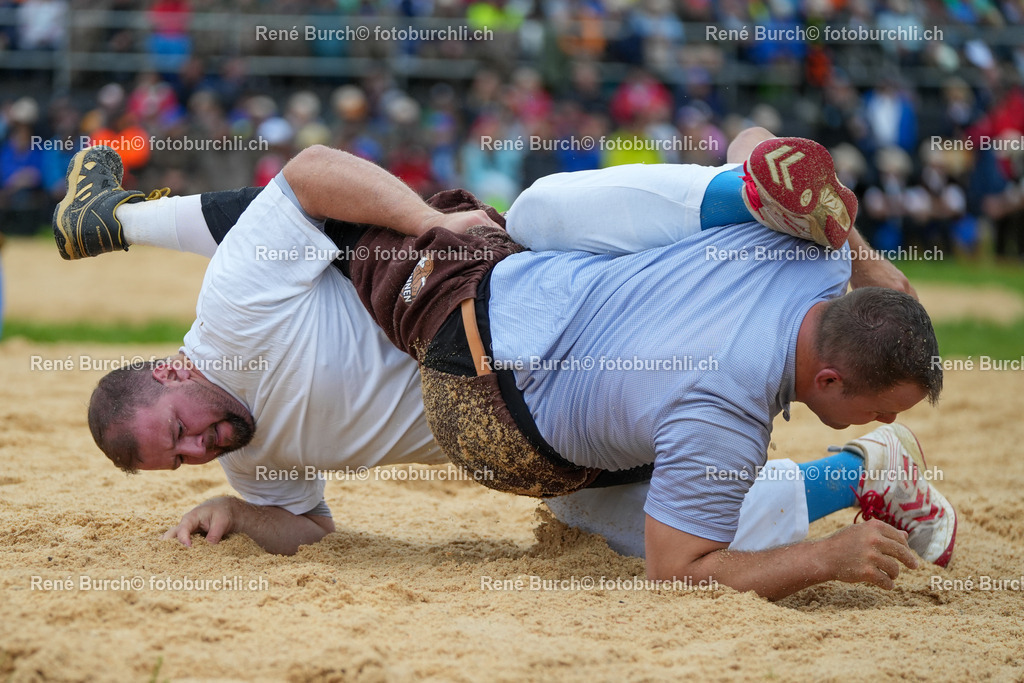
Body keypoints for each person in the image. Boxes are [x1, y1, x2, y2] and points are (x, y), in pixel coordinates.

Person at [53, 133, 953, 600]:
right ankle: (868, 469)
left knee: (545, 206)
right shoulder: (248, 458)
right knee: (642, 518)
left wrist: (424, 223)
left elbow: (312, 173)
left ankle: (744, 190)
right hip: (535, 434)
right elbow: (314, 532)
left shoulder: (232, 314)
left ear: (173, 374)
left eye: (180, 433)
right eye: (182, 461)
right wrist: (242, 511)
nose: (199, 447)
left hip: (497, 291)